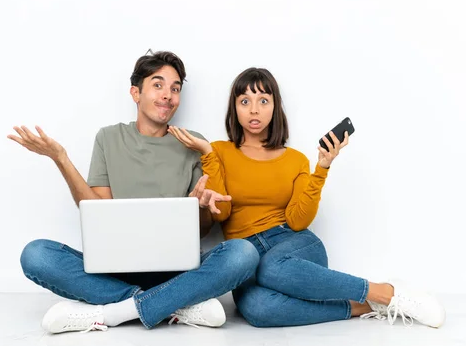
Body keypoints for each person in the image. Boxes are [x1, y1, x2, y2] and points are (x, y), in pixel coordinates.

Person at [168, 67, 446, 328]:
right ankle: (363, 306)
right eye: (245, 101)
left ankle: (385, 293)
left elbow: (298, 220)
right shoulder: (219, 152)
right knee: (258, 310)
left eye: (263, 100)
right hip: (246, 254)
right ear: (235, 108)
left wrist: (321, 168)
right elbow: (222, 215)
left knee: (272, 267)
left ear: (275, 107)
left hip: (292, 244)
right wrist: (207, 155)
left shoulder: (295, 159)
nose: (254, 109)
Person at [7, 52, 260, 334]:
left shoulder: (193, 142)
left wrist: (198, 207)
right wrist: (61, 158)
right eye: (158, 85)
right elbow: (96, 211)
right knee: (36, 255)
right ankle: (175, 303)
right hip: (115, 268)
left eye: (175, 89)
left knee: (243, 253)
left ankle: (115, 312)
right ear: (135, 93)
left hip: (178, 269)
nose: (168, 95)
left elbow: (201, 231)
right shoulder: (109, 137)